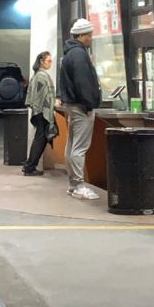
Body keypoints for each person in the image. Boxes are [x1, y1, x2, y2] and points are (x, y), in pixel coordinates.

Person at [58, 18, 102, 201]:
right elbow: (82, 82)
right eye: (90, 35)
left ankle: (72, 184)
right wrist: (89, 104)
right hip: (81, 106)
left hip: (72, 105)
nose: (91, 38)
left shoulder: (70, 53)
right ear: (82, 35)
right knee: (79, 148)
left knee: (72, 146)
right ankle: (78, 185)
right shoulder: (79, 55)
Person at [23, 51, 58, 177]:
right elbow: (42, 96)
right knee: (40, 139)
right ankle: (30, 166)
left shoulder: (39, 75)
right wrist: (52, 102)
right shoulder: (41, 76)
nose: (50, 63)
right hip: (42, 112)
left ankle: (30, 165)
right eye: (48, 61)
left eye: (51, 61)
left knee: (41, 138)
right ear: (42, 61)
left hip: (40, 111)